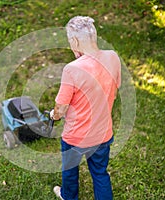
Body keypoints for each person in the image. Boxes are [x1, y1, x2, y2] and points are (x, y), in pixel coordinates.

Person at [50, 16, 121, 200]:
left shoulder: (71, 69)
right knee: (100, 173)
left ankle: (68, 196)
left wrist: (54, 115)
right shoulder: (113, 57)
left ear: (74, 41)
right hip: (103, 133)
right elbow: (114, 87)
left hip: (76, 137)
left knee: (70, 171)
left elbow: (61, 108)